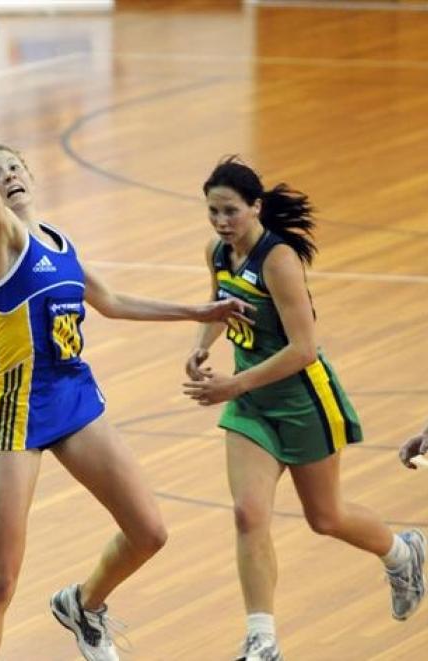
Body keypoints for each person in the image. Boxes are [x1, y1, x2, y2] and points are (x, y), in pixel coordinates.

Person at [0, 77, 256, 661]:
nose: (6, 177)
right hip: (17, 407)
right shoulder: (2, 240)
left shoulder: (59, 241)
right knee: (1, 580)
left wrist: (197, 309)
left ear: (29, 175)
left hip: (73, 395)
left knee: (149, 531)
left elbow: (110, 302)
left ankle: (82, 604)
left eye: (13, 168)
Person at [182, 156, 427, 661]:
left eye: (230, 211)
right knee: (249, 515)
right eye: (212, 212)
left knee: (327, 517)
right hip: (251, 403)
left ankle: (403, 553)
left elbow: (303, 350)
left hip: (302, 401)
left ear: (256, 207)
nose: (221, 222)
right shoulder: (218, 252)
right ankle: (262, 640)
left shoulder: (279, 260)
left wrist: (233, 384)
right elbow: (219, 305)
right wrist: (201, 344)